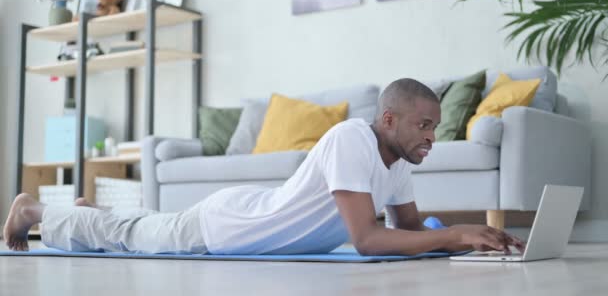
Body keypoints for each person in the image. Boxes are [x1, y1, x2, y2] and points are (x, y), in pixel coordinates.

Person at [3, 78, 525, 255]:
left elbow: (408, 230)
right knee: (134, 237)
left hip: (246, 210)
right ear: (388, 119)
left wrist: (470, 244)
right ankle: (32, 209)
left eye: (436, 127)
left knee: (133, 226)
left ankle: (89, 211)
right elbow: (366, 240)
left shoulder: (399, 160)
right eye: (424, 126)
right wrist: (452, 233)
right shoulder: (352, 139)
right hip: (223, 229)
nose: (433, 137)